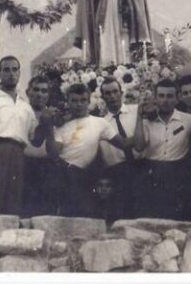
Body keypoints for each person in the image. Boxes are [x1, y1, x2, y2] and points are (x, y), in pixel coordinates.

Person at [40, 83, 127, 217]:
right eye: (74, 101)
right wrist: (49, 129)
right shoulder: (62, 126)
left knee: (80, 216)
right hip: (61, 172)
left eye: (83, 100)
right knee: (57, 216)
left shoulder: (100, 123)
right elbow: (53, 154)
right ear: (68, 101)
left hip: (81, 176)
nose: (79, 104)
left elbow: (123, 144)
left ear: (89, 101)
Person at [0, 56, 38, 215]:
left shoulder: (26, 106)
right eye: (6, 70)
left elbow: (34, 138)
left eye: (14, 69)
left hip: (18, 154)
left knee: (14, 203)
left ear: (19, 73)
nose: (11, 74)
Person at [133, 78, 191, 221]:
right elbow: (139, 146)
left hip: (178, 173)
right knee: (152, 217)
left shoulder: (188, 120)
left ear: (177, 98)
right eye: (161, 96)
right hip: (152, 172)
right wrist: (139, 117)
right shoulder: (147, 121)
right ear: (156, 98)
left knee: (177, 218)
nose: (165, 100)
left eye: (170, 96)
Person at [99, 77, 138, 221]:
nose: (112, 96)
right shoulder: (101, 123)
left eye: (115, 91)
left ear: (121, 93)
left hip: (140, 166)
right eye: (107, 93)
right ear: (103, 97)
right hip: (117, 174)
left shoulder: (136, 112)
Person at [22, 76, 60, 217]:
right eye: (36, 90)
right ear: (28, 92)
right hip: (26, 167)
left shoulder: (56, 114)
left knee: (48, 213)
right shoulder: (21, 112)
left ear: (48, 94)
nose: (39, 94)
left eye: (44, 91)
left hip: (49, 168)